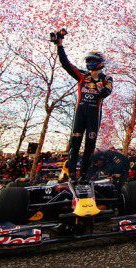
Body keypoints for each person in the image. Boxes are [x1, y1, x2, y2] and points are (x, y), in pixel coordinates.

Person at [53, 30, 113, 180]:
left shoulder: (107, 78)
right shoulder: (81, 76)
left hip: (94, 115)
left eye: (92, 60)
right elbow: (66, 64)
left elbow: (107, 92)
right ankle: (72, 173)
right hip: (80, 113)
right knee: (75, 143)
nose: (89, 63)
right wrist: (60, 45)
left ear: (100, 62)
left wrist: (97, 85)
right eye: (88, 60)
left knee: (89, 146)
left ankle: (85, 174)